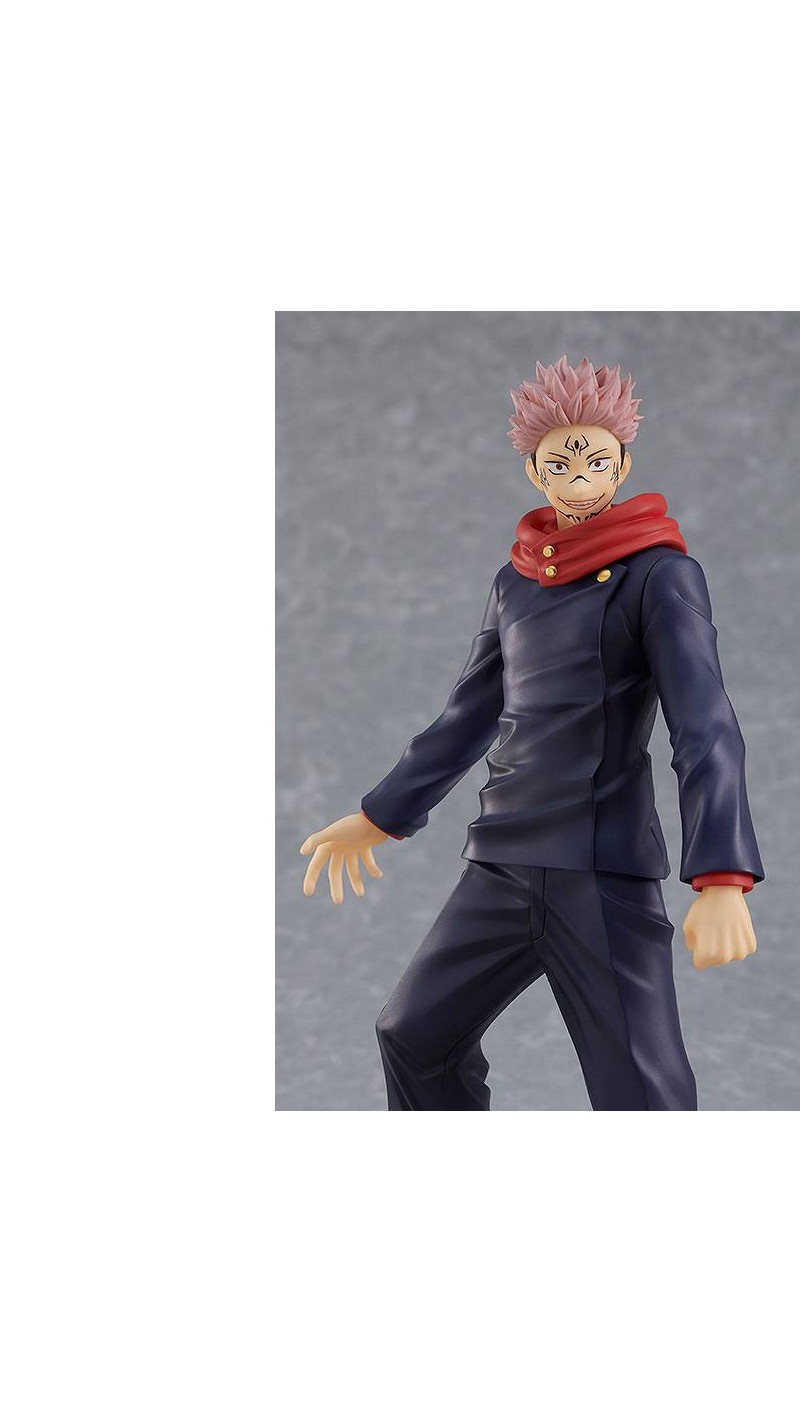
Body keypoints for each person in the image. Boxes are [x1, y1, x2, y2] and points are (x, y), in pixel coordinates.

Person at [300, 356, 764, 1110]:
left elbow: (705, 725)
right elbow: (468, 715)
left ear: (623, 464)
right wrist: (381, 814)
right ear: (533, 471)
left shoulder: (659, 576)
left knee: (639, 1085)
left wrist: (720, 875)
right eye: (560, 463)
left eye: (596, 461)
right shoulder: (516, 582)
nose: (579, 477)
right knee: (413, 1036)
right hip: (504, 859)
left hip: (600, 868)